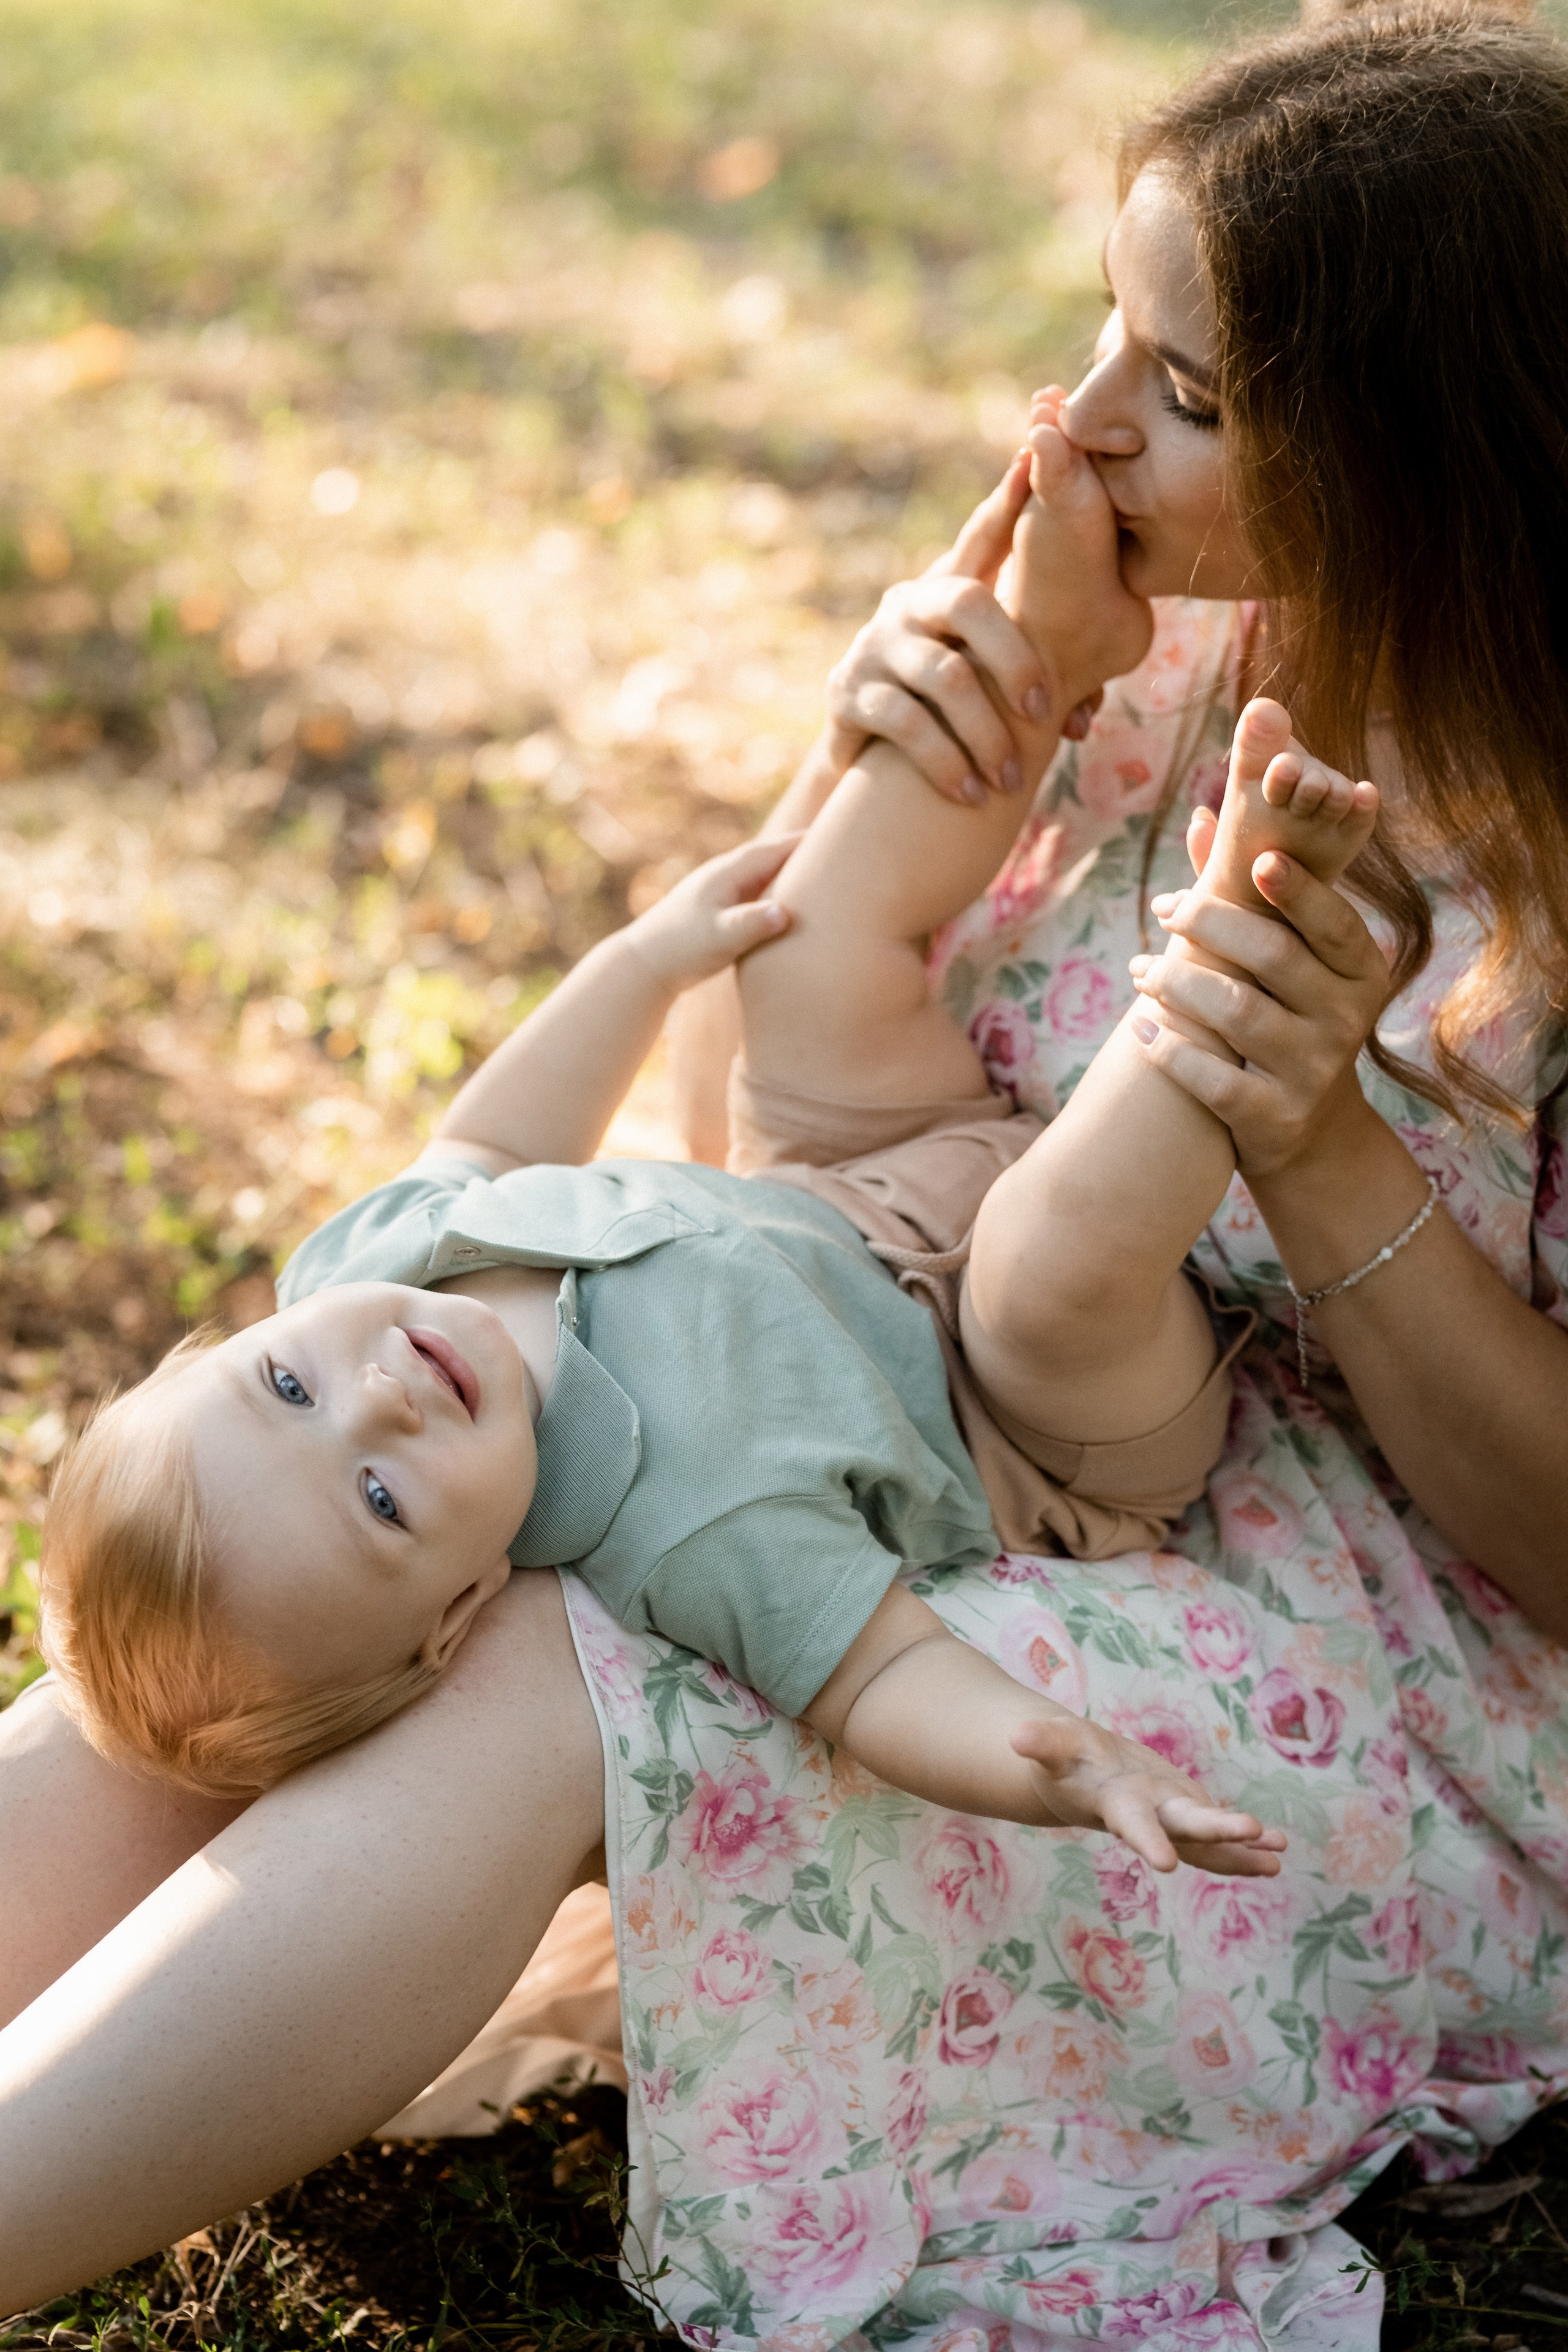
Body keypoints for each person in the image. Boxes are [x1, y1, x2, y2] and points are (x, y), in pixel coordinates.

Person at [6, 1, 1568, 2342]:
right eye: (1110, 327)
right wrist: (903, 757)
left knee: (575, 1633)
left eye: (1196, 387)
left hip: (1373, 1641)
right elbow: (772, 1157)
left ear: (1438, 462)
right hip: (929, 1379)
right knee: (278, 1565)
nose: (1092, 419)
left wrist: (1317, 1129)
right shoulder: (1163, 618)